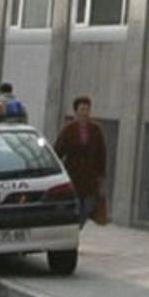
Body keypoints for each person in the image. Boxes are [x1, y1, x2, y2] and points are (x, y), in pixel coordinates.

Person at [54, 96, 107, 228]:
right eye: (82, 109)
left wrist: (101, 174)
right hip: (73, 174)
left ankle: (78, 226)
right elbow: (58, 150)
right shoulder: (68, 129)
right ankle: (74, 228)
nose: (85, 112)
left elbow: (101, 152)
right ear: (76, 111)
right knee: (76, 205)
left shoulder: (95, 129)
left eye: (87, 109)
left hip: (90, 176)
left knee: (88, 206)